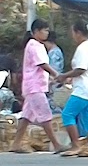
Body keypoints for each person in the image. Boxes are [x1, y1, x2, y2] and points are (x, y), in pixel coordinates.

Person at [10, 20, 66, 154]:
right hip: (35, 87)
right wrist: (57, 75)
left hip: (34, 86)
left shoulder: (35, 45)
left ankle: (16, 144)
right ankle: (56, 144)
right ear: (36, 31)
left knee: (26, 116)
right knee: (45, 114)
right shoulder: (35, 45)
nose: (47, 32)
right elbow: (42, 64)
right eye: (44, 30)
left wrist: (52, 78)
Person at [56, 21, 88, 157]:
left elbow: (81, 69)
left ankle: (75, 145)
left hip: (84, 88)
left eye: (73, 32)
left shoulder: (82, 48)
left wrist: (64, 76)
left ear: (78, 32)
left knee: (68, 114)